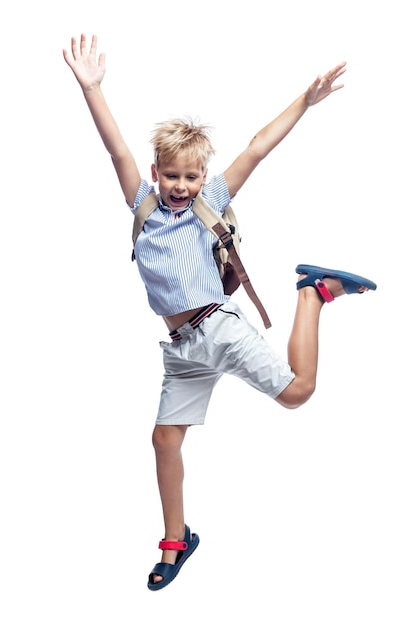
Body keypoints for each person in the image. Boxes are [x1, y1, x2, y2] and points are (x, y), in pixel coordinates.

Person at [63, 34, 376, 591]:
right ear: (157, 173)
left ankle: (312, 295)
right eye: (171, 176)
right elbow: (117, 151)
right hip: (183, 350)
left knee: (298, 394)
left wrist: (305, 101)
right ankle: (177, 538)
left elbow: (256, 146)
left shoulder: (212, 200)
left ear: (202, 177)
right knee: (164, 440)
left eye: (190, 177)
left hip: (219, 329)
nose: (180, 186)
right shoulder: (143, 205)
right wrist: (92, 89)